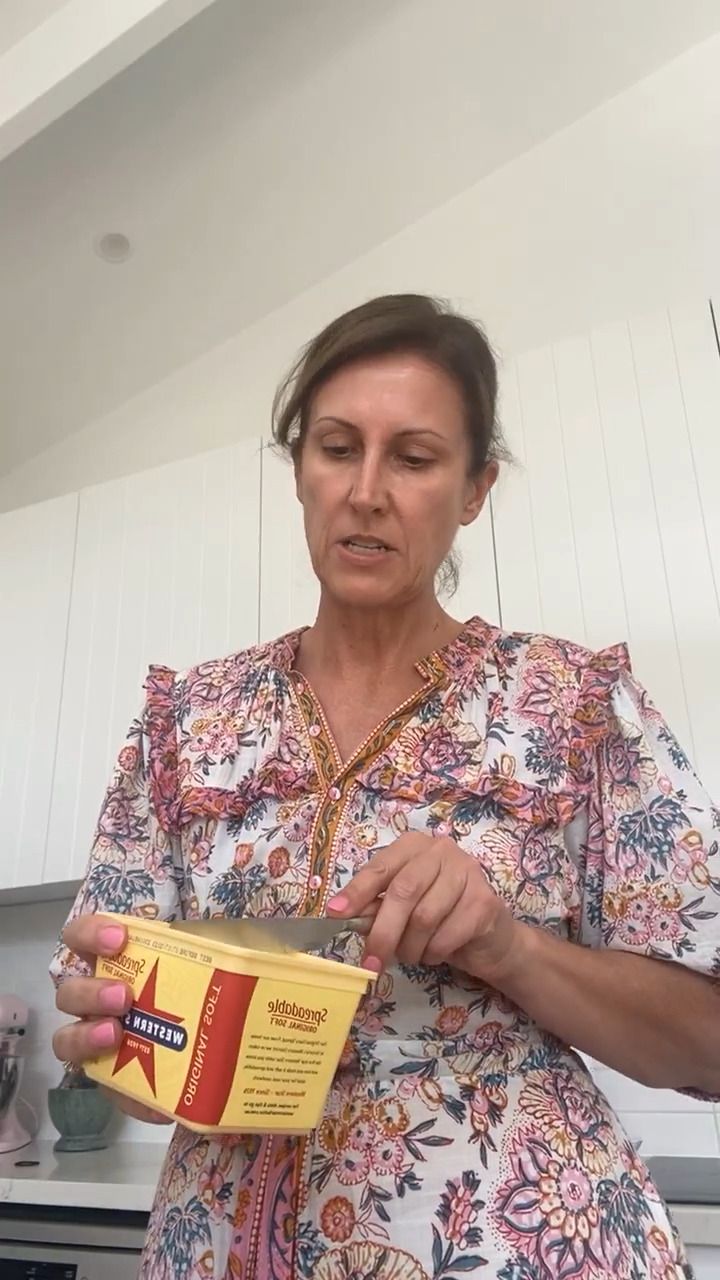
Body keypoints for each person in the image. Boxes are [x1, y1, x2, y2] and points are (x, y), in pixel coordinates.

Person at [50, 294, 720, 1280]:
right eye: (337, 448)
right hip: (223, 1246)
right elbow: (121, 1052)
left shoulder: (573, 706)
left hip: (521, 1246)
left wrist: (507, 945)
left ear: (475, 489)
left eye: (413, 458)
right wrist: (120, 1045)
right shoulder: (186, 724)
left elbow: (707, 1043)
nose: (366, 492)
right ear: (300, 471)